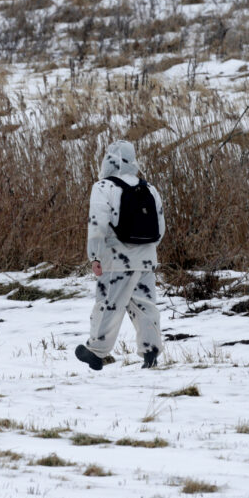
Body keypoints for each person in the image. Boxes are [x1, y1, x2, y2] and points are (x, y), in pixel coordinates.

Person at [75, 139, 165, 370]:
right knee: (145, 305)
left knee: (108, 304)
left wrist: (95, 256)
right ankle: (151, 351)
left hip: (115, 259)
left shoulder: (103, 186)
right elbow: (160, 228)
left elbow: (97, 225)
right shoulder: (149, 188)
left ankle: (96, 351)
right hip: (145, 259)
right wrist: (146, 250)